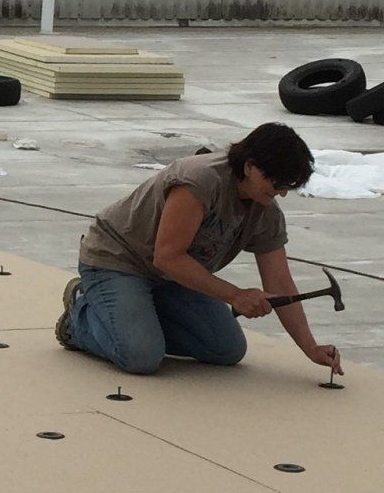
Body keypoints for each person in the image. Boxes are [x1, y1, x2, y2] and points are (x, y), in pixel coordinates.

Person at [55, 123, 343, 379]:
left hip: (173, 277)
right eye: (276, 183)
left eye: (288, 187)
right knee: (140, 357)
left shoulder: (264, 208)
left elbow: (279, 283)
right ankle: (81, 314)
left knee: (226, 349)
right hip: (118, 262)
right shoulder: (199, 181)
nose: (281, 192)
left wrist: (310, 348)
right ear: (250, 166)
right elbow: (168, 257)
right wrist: (235, 295)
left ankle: (134, 321)